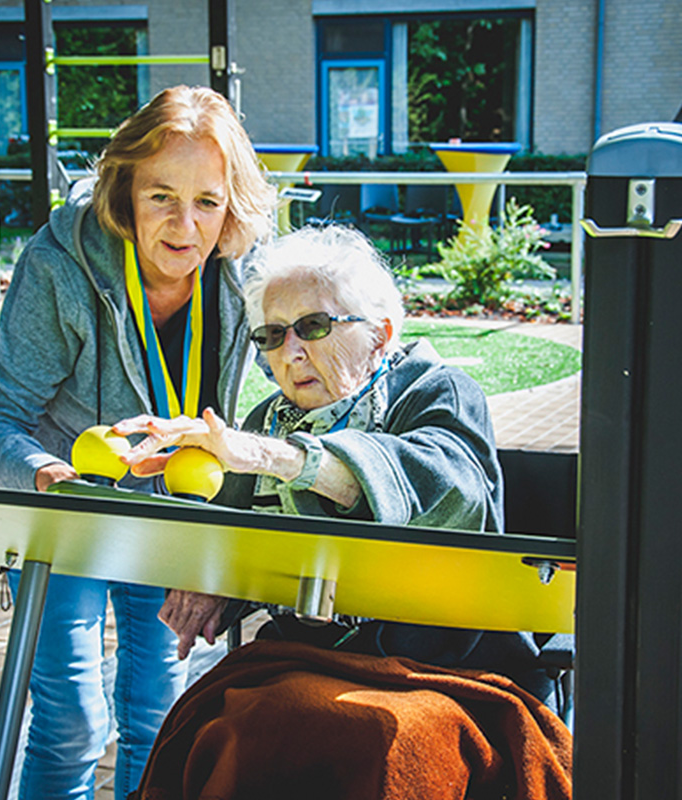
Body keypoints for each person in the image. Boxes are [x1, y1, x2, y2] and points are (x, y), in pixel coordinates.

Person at [113, 225, 573, 799]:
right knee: (223, 727)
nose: (292, 352)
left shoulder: (438, 392)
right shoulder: (268, 420)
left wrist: (274, 457)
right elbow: (236, 539)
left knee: (382, 740)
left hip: (444, 669)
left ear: (379, 334)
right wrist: (215, 584)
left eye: (313, 326)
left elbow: (451, 493)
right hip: (302, 658)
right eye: (272, 335)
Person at [0, 85, 276, 800]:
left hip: (167, 513)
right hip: (60, 511)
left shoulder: (247, 271)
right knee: (71, 721)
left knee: (158, 716)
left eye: (207, 201)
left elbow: (301, 378)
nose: (184, 226)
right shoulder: (61, 264)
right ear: (124, 187)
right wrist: (52, 477)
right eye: (161, 195)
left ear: (231, 207)